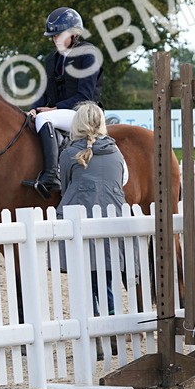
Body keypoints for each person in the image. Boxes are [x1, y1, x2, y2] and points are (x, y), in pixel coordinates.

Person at [22, 7, 104, 197]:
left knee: (44, 120)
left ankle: (51, 176)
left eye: (59, 35)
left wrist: (52, 109)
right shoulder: (52, 59)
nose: (54, 40)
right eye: (53, 36)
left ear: (74, 34)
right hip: (61, 113)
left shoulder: (88, 55)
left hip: (85, 114)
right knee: (29, 119)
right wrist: (34, 109)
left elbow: (85, 96)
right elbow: (44, 92)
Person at [59, 102, 129, 321]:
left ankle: (94, 319)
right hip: (111, 221)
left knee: (86, 280)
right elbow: (123, 180)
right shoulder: (116, 152)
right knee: (106, 280)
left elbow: (64, 186)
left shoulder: (69, 153)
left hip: (80, 222)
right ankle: (111, 319)